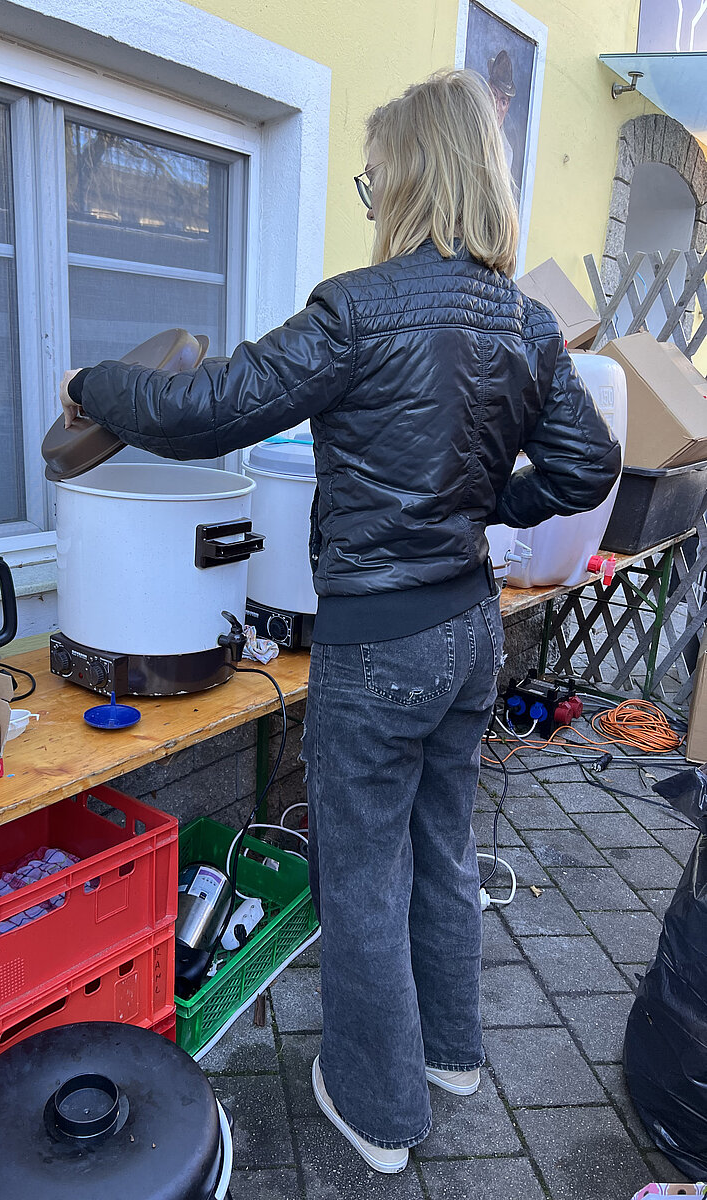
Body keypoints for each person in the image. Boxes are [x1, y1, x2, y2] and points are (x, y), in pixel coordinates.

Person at [60, 69, 621, 1174]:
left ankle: (379, 1109)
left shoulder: (358, 311)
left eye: (373, 177)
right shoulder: (527, 323)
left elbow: (208, 407)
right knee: (442, 847)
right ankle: (452, 1056)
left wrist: (94, 385)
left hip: (380, 646)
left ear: (408, 177)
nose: (371, 196)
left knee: (360, 874)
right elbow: (588, 466)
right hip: (470, 631)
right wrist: (486, 507)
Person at [487, 49, 517, 183]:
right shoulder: (469, 126)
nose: (496, 106)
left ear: (507, 107)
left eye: (503, 102)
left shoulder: (506, 151)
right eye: (493, 95)